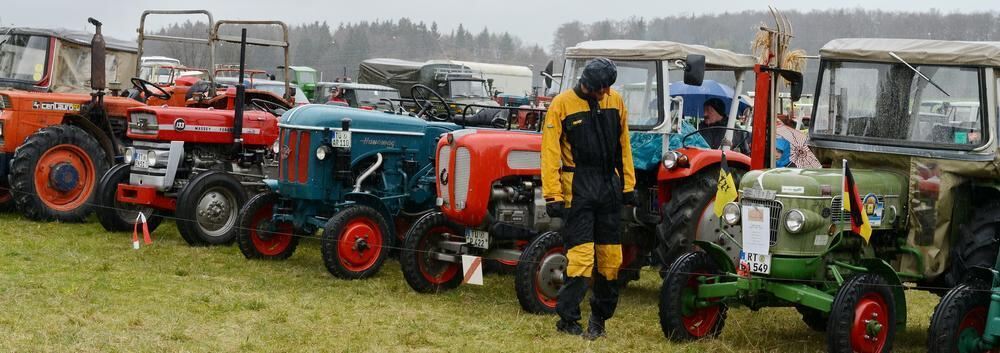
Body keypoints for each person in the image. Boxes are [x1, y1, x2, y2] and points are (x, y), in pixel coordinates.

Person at [541, 57, 636, 340]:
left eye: (609, 88)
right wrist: (552, 193)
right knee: (581, 259)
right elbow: (549, 152)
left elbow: (624, 146)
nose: (607, 93)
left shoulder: (615, 102)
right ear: (589, 85)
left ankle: (599, 321)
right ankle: (569, 320)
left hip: (609, 187)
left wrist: (628, 185)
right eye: (603, 88)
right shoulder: (561, 105)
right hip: (577, 189)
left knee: (610, 260)